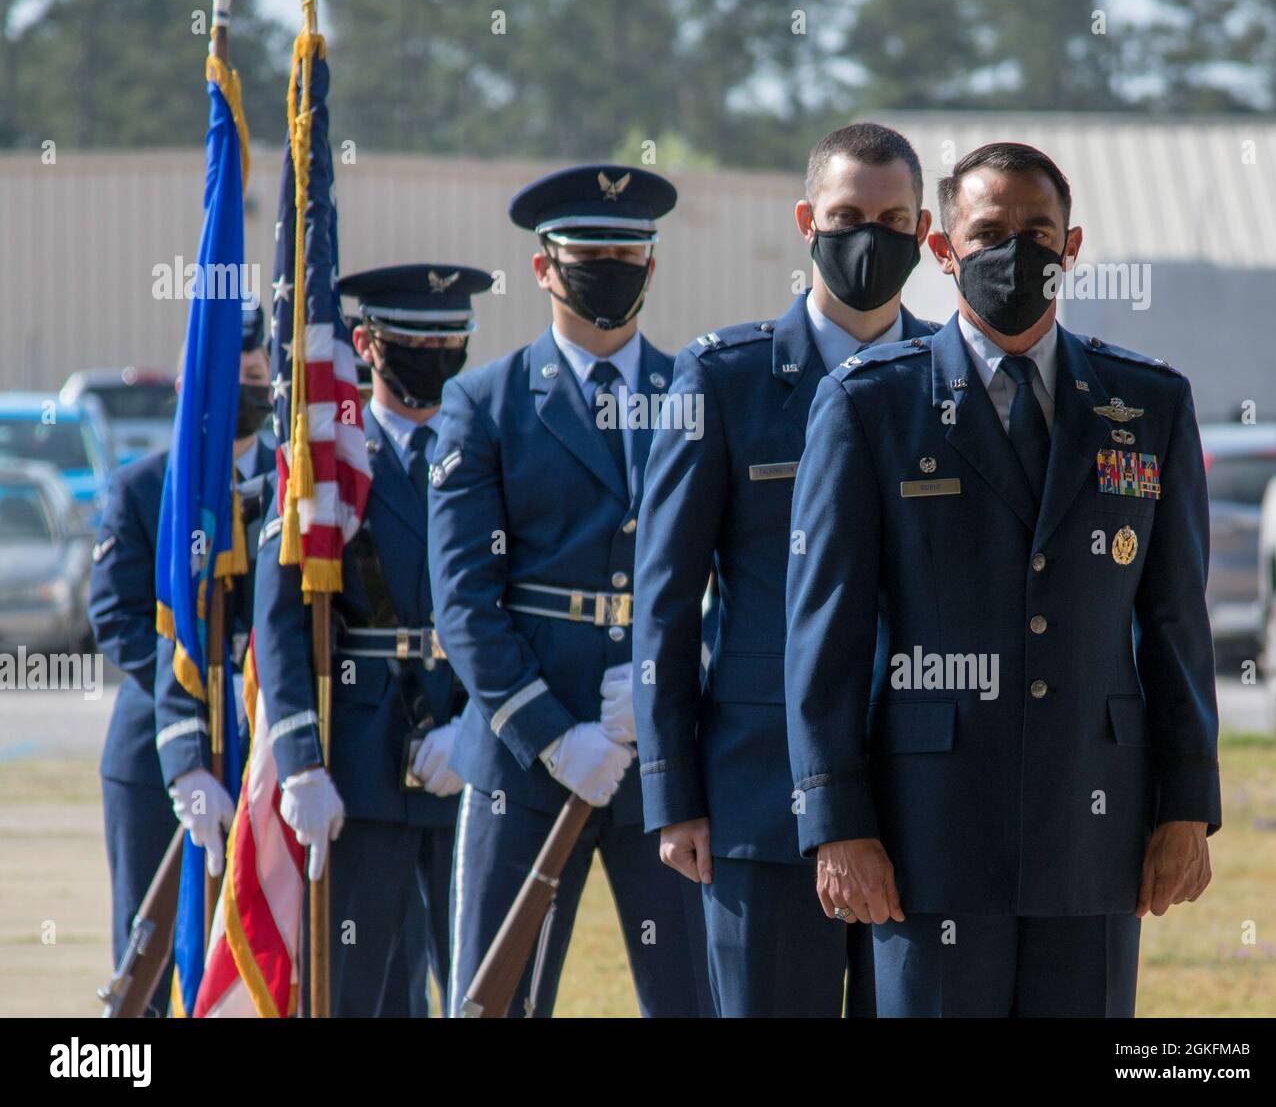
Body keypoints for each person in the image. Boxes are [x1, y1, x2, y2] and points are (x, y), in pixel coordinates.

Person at [784, 141, 1220, 1018]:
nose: (1013, 251)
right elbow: (823, 633)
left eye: (1037, 232)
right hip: (928, 838)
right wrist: (837, 820)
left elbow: (1175, 621)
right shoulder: (870, 403)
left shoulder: (1149, 404)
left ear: (1073, 248)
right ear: (942, 248)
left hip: (1092, 834)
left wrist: (1188, 805)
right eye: (988, 232)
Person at [632, 122, 937, 1017]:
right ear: (807, 219)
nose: (869, 237)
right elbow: (665, 599)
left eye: (893, 219)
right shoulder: (722, 380)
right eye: (847, 215)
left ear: (923, 235)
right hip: (758, 799)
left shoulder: (946, 379)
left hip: (920, 793)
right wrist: (673, 791)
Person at [429, 164, 712, 1018]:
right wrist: (556, 737)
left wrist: (672, 679)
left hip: (662, 759)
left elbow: (743, 572)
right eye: (590, 253)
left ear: (653, 266)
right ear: (544, 267)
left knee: (696, 995)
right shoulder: (486, 403)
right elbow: (465, 601)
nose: (611, 269)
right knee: (498, 1000)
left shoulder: (697, 393)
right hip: (525, 759)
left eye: (627, 253)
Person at [256, 264, 490, 1017]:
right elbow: (282, 620)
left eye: (448, 340)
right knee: (356, 989)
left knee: (487, 984)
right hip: (358, 764)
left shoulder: (491, 449)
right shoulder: (325, 463)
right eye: (413, 339)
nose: (433, 353)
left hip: (468, 760)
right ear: (365, 344)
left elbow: (514, 607)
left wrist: (478, 730)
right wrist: (299, 763)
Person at [93, 304, 275, 1016]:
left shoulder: (297, 489)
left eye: (257, 376)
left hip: (267, 749)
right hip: (156, 759)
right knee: (149, 949)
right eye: (230, 378)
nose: (246, 391)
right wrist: (196, 690)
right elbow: (116, 616)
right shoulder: (144, 488)